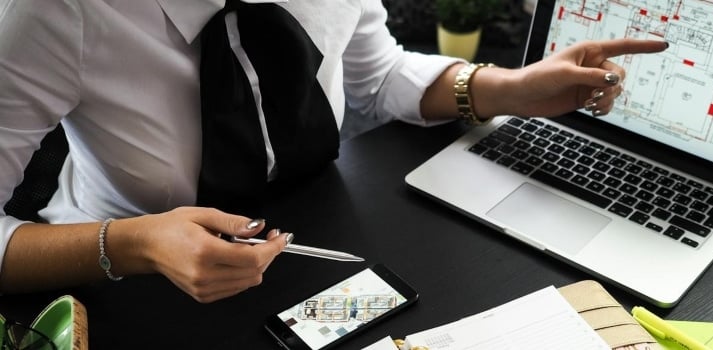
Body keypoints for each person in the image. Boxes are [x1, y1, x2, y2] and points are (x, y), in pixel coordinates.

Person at [0, 0, 667, 303]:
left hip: (315, 234)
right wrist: (135, 244)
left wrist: (508, 89)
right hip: (131, 286)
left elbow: (373, 77)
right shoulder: (52, 12)